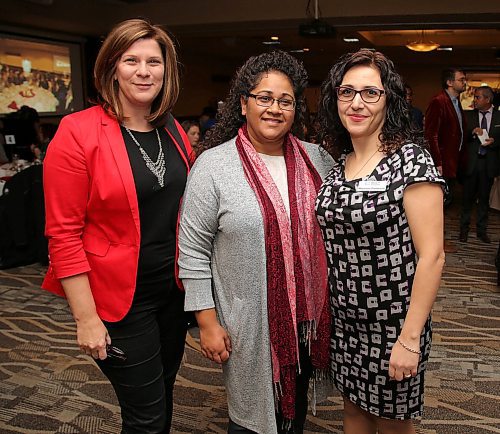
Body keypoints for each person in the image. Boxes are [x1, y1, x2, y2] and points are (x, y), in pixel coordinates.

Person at [41, 18, 194, 433]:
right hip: (119, 303)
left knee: (161, 399)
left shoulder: (172, 128)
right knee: (145, 416)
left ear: (167, 70)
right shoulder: (77, 132)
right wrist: (86, 318)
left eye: (153, 61)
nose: (144, 71)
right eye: (131, 60)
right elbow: (63, 233)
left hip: (171, 295)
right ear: (111, 67)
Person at [178, 50, 333, 434]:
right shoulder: (214, 166)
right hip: (247, 319)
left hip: (308, 320)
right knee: (249, 419)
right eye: (264, 98)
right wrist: (207, 321)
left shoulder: (318, 160)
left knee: (293, 414)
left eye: (286, 101)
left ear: (297, 109)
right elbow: (192, 251)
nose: (274, 109)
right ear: (243, 103)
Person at [316, 49, 446, 434]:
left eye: (370, 93)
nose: (356, 103)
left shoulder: (411, 161)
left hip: (394, 325)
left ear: (389, 100)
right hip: (346, 322)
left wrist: (409, 339)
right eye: (346, 92)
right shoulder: (339, 165)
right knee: (354, 412)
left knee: (391, 423)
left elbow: (433, 257)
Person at [424, 67, 467, 253]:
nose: (465, 82)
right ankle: (435, 243)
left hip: (453, 161)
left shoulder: (456, 102)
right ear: (450, 82)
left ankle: (438, 241)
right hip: (441, 162)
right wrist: (438, 162)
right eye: (461, 79)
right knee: (438, 204)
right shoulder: (439, 101)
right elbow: (431, 134)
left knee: (445, 202)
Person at [459, 86, 500, 243]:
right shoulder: (468, 115)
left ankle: (481, 231)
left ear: (488, 99)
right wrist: (472, 133)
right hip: (472, 163)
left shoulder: (498, 116)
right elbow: (461, 136)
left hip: (489, 164)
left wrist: (494, 141)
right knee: (466, 199)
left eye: (478, 97)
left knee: (484, 200)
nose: (474, 100)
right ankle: (464, 230)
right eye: (475, 97)